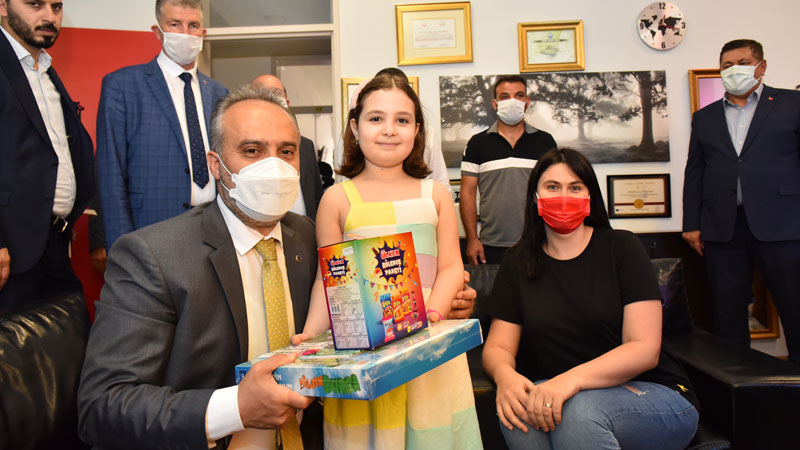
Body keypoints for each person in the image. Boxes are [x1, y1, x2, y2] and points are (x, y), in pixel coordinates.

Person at [79, 85, 322, 450]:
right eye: (252, 151)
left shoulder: (305, 234)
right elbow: (103, 406)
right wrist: (235, 408)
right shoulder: (153, 256)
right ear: (215, 164)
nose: (273, 167)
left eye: (286, 152)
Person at [297, 73, 482, 449]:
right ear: (355, 127)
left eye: (402, 119)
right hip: (364, 348)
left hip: (430, 347)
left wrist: (430, 316)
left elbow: (451, 267)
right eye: (376, 118)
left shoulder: (436, 194)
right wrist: (308, 340)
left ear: (417, 130)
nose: (389, 129)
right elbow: (328, 280)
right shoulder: (336, 199)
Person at [483, 148, 699, 450]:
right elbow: (498, 346)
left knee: (576, 413)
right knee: (521, 412)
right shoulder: (517, 262)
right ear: (535, 197)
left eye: (575, 188)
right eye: (552, 187)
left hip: (653, 392)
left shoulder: (622, 248)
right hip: (565, 391)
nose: (563, 196)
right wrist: (505, 377)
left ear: (589, 197)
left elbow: (644, 349)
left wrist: (570, 381)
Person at [682, 39, 800, 365]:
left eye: (743, 62)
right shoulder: (704, 117)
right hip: (723, 227)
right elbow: (695, 171)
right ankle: (735, 379)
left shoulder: (792, 104)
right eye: (727, 65)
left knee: (794, 306)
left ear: (761, 66)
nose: (735, 70)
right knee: (728, 311)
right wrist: (691, 223)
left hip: (785, 224)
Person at [96, 0, 228, 249]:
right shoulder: (123, 86)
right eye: (175, 24)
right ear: (158, 31)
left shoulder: (219, 93)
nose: (185, 33)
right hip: (150, 229)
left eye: (193, 26)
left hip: (213, 229)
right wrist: (121, 247)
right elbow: (111, 174)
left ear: (203, 33)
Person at [0, 0, 94, 309]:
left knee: (70, 334)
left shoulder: (45, 71)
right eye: (34, 4)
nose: (49, 16)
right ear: (3, 6)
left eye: (56, 6)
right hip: (11, 252)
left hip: (54, 244)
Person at [460, 75, 557, 265]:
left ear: (527, 102)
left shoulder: (545, 142)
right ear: (495, 103)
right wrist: (472, 239)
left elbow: (555, 190)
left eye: (519, 95)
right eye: (505, 96)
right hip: (490, 245)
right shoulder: (477, 144)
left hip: (537, 242)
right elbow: (467, 193)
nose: (512, 101)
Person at [252, 74, 324, 219]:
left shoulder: (306, 146)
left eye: (276, 93)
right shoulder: (246, 149)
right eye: (261, 92)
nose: (270, 98)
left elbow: (316, 197)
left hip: (305, 228)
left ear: (287, 102)